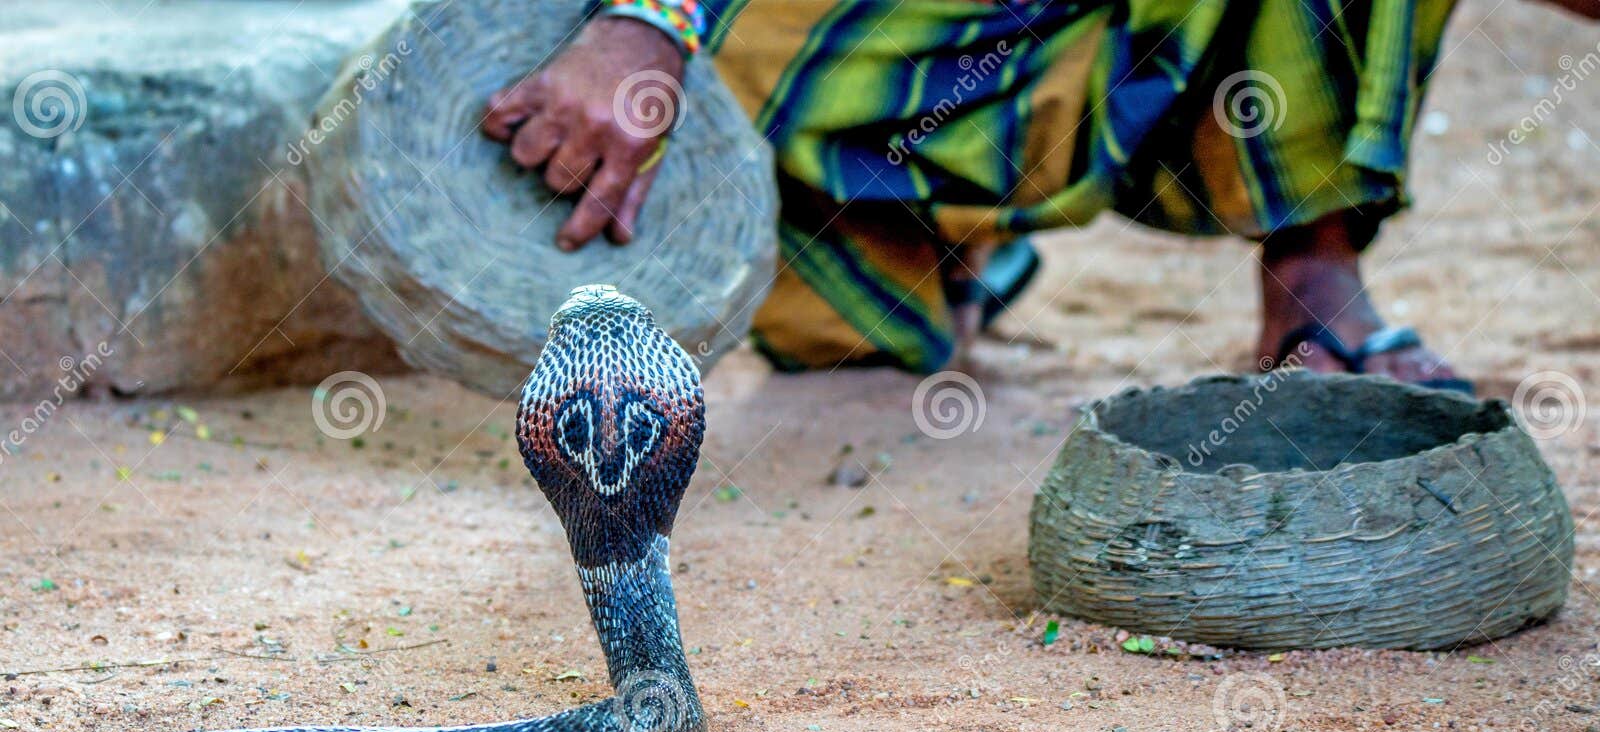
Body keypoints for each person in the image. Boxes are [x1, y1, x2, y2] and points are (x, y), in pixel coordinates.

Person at [482, 0, 1598, 389]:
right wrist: (647, 19)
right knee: (860, 346)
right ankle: (952, 236)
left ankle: (1314, 282)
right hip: (901, 37)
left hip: (1165, 39)